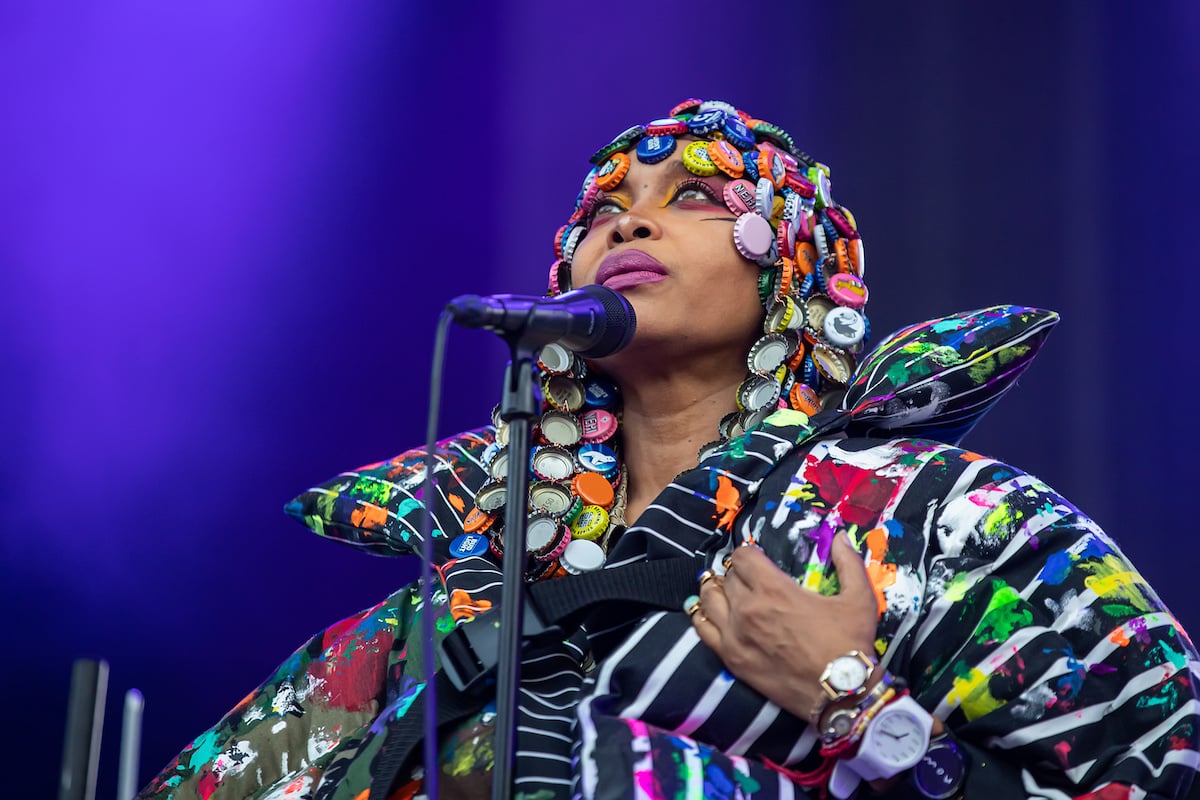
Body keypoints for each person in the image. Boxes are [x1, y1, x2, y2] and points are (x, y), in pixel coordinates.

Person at [137, 99, 1200, 800]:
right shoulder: (467, 582)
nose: (628, 227)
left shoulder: (938, 517)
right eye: (604, 211)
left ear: (792, 270)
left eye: (694, 197)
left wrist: (854, 700)